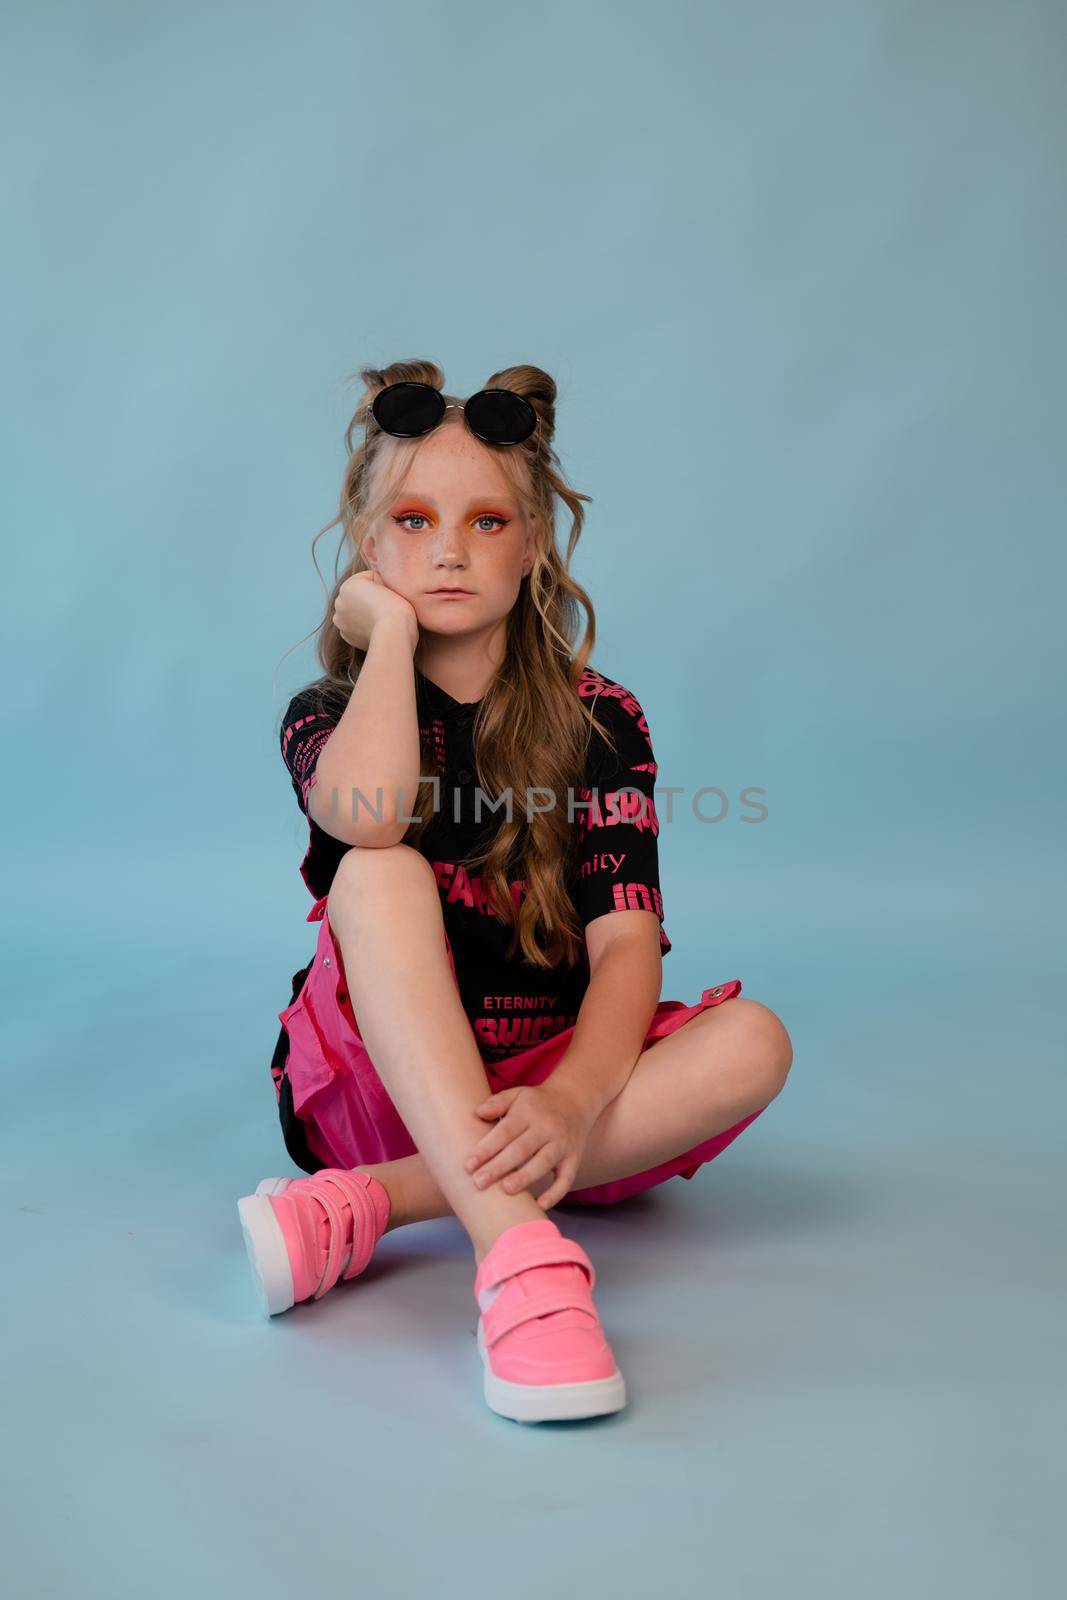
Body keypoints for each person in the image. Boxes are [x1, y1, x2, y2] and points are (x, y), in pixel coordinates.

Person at [237, 360, 793, 1424]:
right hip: (378, 1089)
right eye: (412, 518)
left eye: (487, 522)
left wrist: (576, 1096)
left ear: (532, 544)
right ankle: (522, 1265)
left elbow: (627, 947)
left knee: (755, 1038)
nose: (448, 549)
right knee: (380, 870)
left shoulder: (600, 716)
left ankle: (369, 1207)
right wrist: (390, 638)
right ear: (366, 542)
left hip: (552, 1103)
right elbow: (370, 815)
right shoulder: (327, 710)